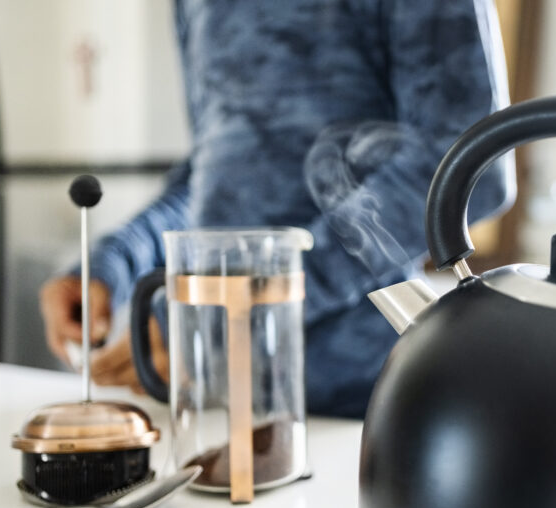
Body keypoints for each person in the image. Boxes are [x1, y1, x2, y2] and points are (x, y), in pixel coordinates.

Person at [39, 0, 514, 418]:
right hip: (215, 404)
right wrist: (115, 262)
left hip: (364, 407)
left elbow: (471, 167)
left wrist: (246, 302)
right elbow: (217, 176)